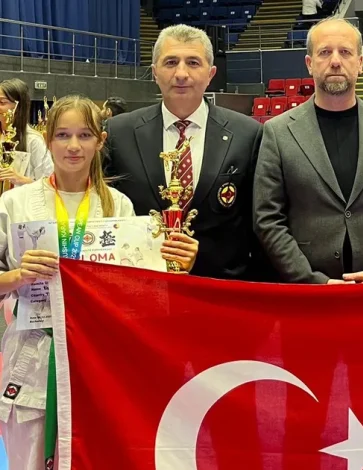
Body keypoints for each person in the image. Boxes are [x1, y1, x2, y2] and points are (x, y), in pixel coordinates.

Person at [0, 96, 148, 469]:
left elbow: (135, 290)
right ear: (47, 139)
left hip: (98, 355)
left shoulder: (118, 207)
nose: (73, 146)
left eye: (84, 135)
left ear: (100, 141)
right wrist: (18, 275)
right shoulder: (15, 203)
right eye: (63, 135)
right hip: (33, 352)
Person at [253, 18, 363, 285]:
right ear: (309, 64)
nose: (335, 61)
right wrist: (312, 280)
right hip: (306, 291)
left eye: (345, 52)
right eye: (324, 52)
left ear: (360, 62)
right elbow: (268, 218)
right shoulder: (278, 132)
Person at [105, 24, 266, 281]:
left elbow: (258, 223)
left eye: (193, 62)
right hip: (142, 285)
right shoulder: (119, 132)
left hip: (219, 287)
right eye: (171, 62)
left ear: (211, 73)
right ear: (155, 72)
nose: (181, 73)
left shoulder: (247, 134)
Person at [0, 78, 53, 186]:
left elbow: (49, 184)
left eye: (2, 102)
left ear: (18, 106)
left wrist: (20, 180)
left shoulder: (33, 140)